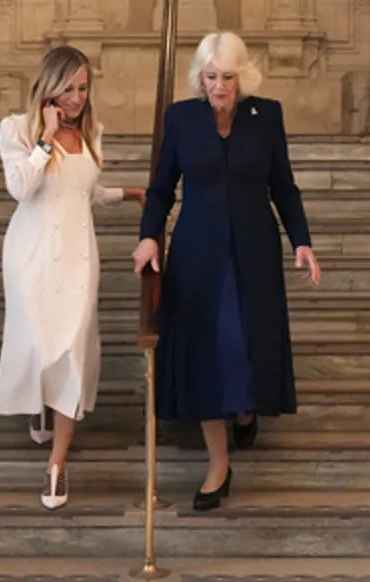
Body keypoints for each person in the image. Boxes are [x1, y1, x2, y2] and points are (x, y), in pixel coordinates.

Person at [131, 31, 322, 512]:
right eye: (211, 77)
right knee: (207, 353)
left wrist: (302, 241)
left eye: (228, 77)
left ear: (244, 76)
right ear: (200, 77)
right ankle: (218, 464)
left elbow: (284, 185)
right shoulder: (181, 118)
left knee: (244, 344)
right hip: (197, 254)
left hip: (254, 250)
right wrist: (150, 235)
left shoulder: (266, 115)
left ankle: (244, 411)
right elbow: (160, 189)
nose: (219, 87)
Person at [0, 45, 144, 511]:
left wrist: (130, 193)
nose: (76, 97)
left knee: (73, 348)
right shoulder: (16, 129)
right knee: (39, 341)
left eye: (83, 87)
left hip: (79, 254)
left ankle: (57, 463)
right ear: (49, 84)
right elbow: (21, 188)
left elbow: (84, 191)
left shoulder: (93, 131)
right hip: (31, 253)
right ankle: (38, 404)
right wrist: (45, 141)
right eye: (69, 87)